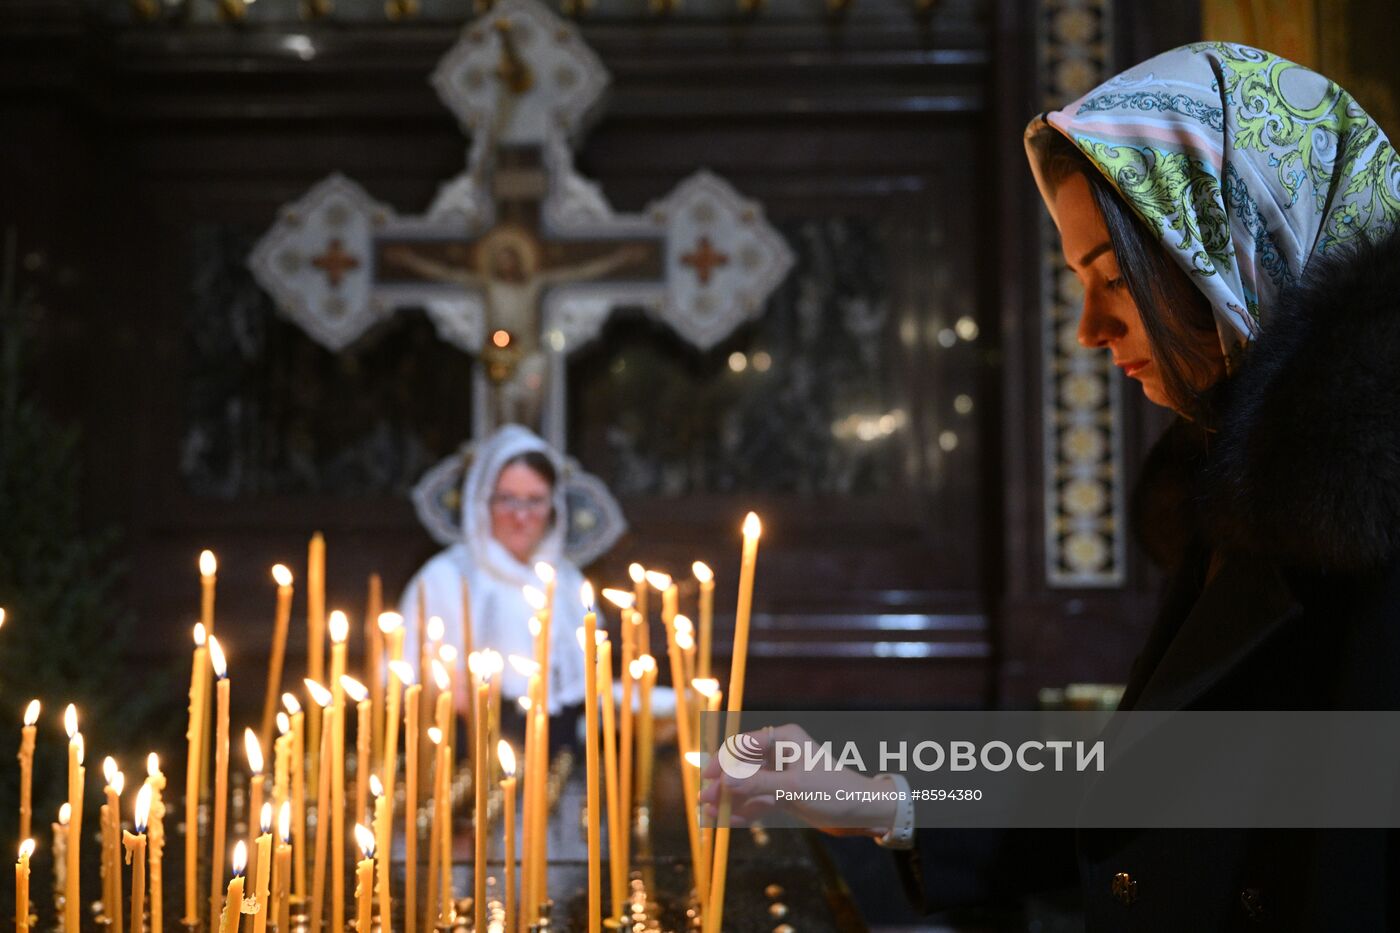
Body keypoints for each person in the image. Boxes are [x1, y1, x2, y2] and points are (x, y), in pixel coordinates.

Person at [703, 42, 1400, 927]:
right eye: (1082, 282)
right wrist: (882, 794)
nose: (1088, 330)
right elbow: (1152, 794)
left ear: (1241, 248)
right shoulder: (1249, 487)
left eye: (1115, 279)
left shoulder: (1360, 502)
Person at [399, 424, 587, 739]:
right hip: (467, 750)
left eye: (535, 500)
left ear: (553, 506)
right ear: (482, 501)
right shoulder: (444, 578)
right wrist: (441, 686)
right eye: (508, 500)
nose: (521, 516)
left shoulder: (567, 582)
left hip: (559, 754)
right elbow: (399, 676)